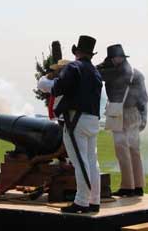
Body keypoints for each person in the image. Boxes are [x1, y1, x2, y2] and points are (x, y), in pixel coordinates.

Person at [52, 35, 102, 213]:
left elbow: (59, 88)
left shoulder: (73, 67)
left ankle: (81, 201)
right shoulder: (95, 72)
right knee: (91, 161)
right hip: (92, 119)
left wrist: (55, 80)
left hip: (76, 120)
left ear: (77, 52)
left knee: (80, 161)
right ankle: (94, 200)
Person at [97, 44, 148, 197]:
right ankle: (138, 185)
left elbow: (95, 71)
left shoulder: (112, 72)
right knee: (134, 150)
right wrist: (144, 117)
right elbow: (144, 98)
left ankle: (127, 186)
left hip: (118, 112)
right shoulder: (136, 73)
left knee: (122, 150)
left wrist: (105, 63)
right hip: (134, 113)